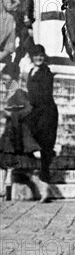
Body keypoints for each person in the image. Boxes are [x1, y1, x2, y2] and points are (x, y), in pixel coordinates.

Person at [0, 62, 40, 200]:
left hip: (18, 134)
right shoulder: (11, 91)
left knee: (16, 163)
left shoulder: (19, 92)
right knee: (3, 162)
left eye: (6, 78)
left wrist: (12, 115)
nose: (4, 81)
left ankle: (39, 190)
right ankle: (2, 190)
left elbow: (29, 109)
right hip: (11, 133)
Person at [26, 45, 58, 202]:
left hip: (46, 115)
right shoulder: (32, 71)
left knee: (45, 149)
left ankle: (45, 187)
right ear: (32, 57)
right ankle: (39, 185)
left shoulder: (46, 73)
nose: (38, 58)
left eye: (41, 55)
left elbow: (41, 96)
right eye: (35, 55)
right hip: (35, 114)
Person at [13, 0, 39, 66]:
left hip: (21, 28)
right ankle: (39, 69)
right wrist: (29, 28)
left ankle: (12, 69)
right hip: (24, 29)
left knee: (22, 49)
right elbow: (26, 14)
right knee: (31, 49)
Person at [0, 0, 18, 64]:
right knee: (9, 47)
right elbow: (9, 7)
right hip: (6, 22)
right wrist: (18, 3)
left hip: (4, 20)